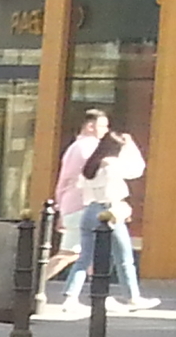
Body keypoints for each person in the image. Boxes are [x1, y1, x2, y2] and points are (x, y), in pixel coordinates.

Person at [50, 130, 157, 315]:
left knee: (84, 257)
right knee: (124, 257)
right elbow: (137, 169)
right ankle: (133, 297)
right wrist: (131, 145)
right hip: (110, 210)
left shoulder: (90, 167)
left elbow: (82, 189)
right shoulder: (112, 164)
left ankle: (70, 297)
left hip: (89, 210)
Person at [45, 109, 108, 291]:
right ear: (90, 126)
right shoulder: (88, 147)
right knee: (69, 253)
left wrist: (59, 207)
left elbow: (64, 181)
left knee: (86, 253)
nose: (106, 130)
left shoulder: (77, 147)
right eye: (102, 126)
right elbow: (93, 174)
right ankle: (32, 285)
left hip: (74, 206)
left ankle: (93, 294)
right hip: (80, 206)